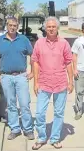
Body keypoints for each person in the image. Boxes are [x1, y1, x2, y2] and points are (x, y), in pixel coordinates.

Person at [31, 16, 74, 150]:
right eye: (48, 26)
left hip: (60, 83)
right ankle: (42, 137)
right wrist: (35, 82)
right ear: (45, 28)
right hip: (44, 83)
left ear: (57, 28)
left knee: (59, 113)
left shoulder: (64, 43)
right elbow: (35, 62)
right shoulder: (39, 43)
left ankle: (55, 138)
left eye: (53, 27)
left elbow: (68, 63)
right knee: (39, 113)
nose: (51, 29)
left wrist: (71, 81)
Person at [0, 17, 35, 140]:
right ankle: (15, 129)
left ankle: (28, 129)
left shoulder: (23, 39)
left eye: (14, 25)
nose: (12, 27)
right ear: (7, 25)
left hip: (21, 76)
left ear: (18, 26)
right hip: (6, 77)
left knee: (24, 104)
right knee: (11, 105)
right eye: (10, 25)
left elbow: (32, 55)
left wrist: (32, 71)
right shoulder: (0, 40)